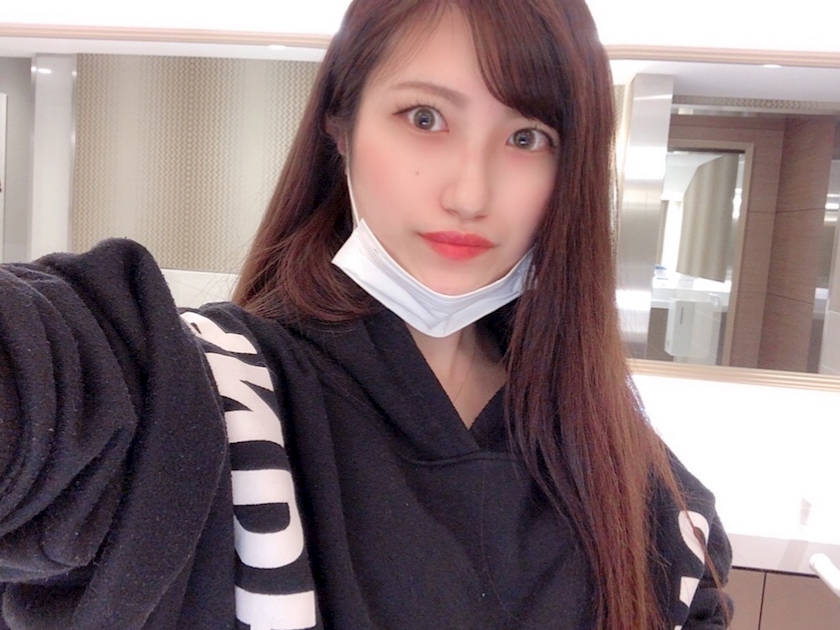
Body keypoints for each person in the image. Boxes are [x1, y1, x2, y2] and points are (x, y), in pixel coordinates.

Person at [0, 0, 733, 628]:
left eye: (526, 137)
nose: (469, 193)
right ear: (341, 130)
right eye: (425, 118)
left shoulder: (651, 505)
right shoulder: (203, 396)